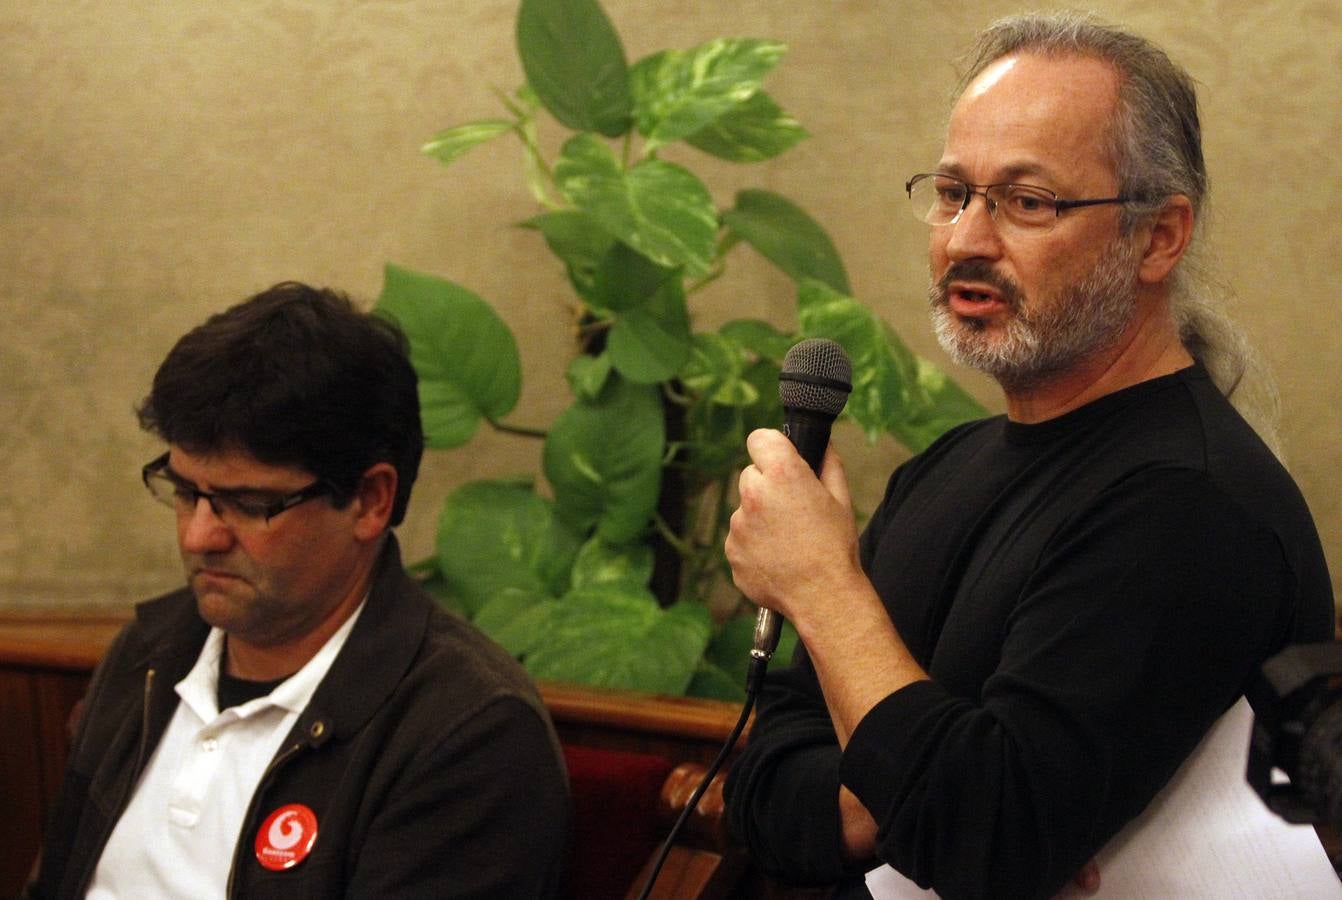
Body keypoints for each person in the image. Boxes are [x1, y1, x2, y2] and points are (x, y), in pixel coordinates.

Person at [722, 13, 1334, 900]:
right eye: (952, 192)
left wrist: (821, 588)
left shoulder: (1190, 505)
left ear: (1160, 236)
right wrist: (901, 796)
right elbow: (764, 786)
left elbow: (988, 837)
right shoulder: (943, 469)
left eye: (1027, 201)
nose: (966, 239)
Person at [24, 282, 570, 898]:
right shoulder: (151, 652)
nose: (200, 535)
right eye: (184, 492)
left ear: (369, 501)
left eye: (249, 504)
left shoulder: (468, 733)